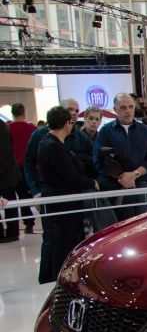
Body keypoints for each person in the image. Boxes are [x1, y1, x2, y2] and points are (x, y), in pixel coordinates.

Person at [37, 106, 98, 280]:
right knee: (64, 244)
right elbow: (70, 176)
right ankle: (62, 278)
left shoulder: (47, 142)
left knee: (63, 242)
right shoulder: (53, 146)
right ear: (67, 124)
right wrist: (91, 182)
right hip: (64, 204)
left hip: (60, 201)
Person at [93, 93, 147, 221]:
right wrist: (122, 177)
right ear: (115, 110)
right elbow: (99, 161)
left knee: (139, 227)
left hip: (139, 187)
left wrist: (134, 174)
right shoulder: (105, 132)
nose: (128, 111)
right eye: (123, 108)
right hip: (113, 189)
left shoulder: (146, 131)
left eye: (131, 107)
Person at [8, 103, 37, 234]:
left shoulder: (8, 128)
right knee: (33, 193)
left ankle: (28, 221)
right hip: (30, 166)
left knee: (21, 195)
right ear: (24, 112)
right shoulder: (32, 129)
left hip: (15, 168)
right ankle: (32, 220)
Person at [0, 119, 20, 243]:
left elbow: (3, 152)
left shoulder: (1, 127)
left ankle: (13, 232)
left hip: (6, 175)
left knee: (10, 204)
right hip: (6, 173)